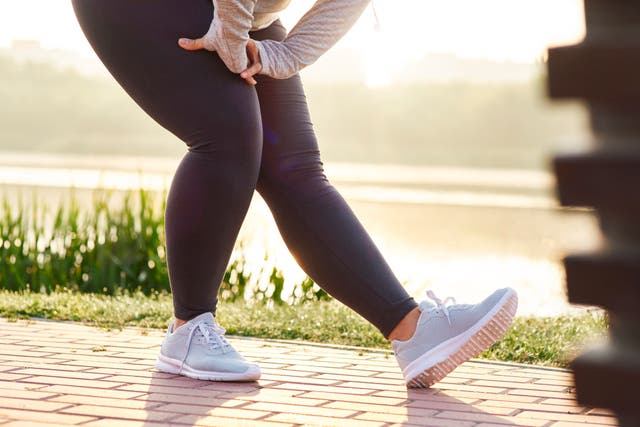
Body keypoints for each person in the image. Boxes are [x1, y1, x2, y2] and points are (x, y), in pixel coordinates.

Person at [71, 0, 518, 388]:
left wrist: (272, 55)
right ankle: (188, 330)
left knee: (295, 169)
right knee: (227, 137)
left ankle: (413, 331)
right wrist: (230, 36)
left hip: (244, 12)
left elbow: (339, 9)